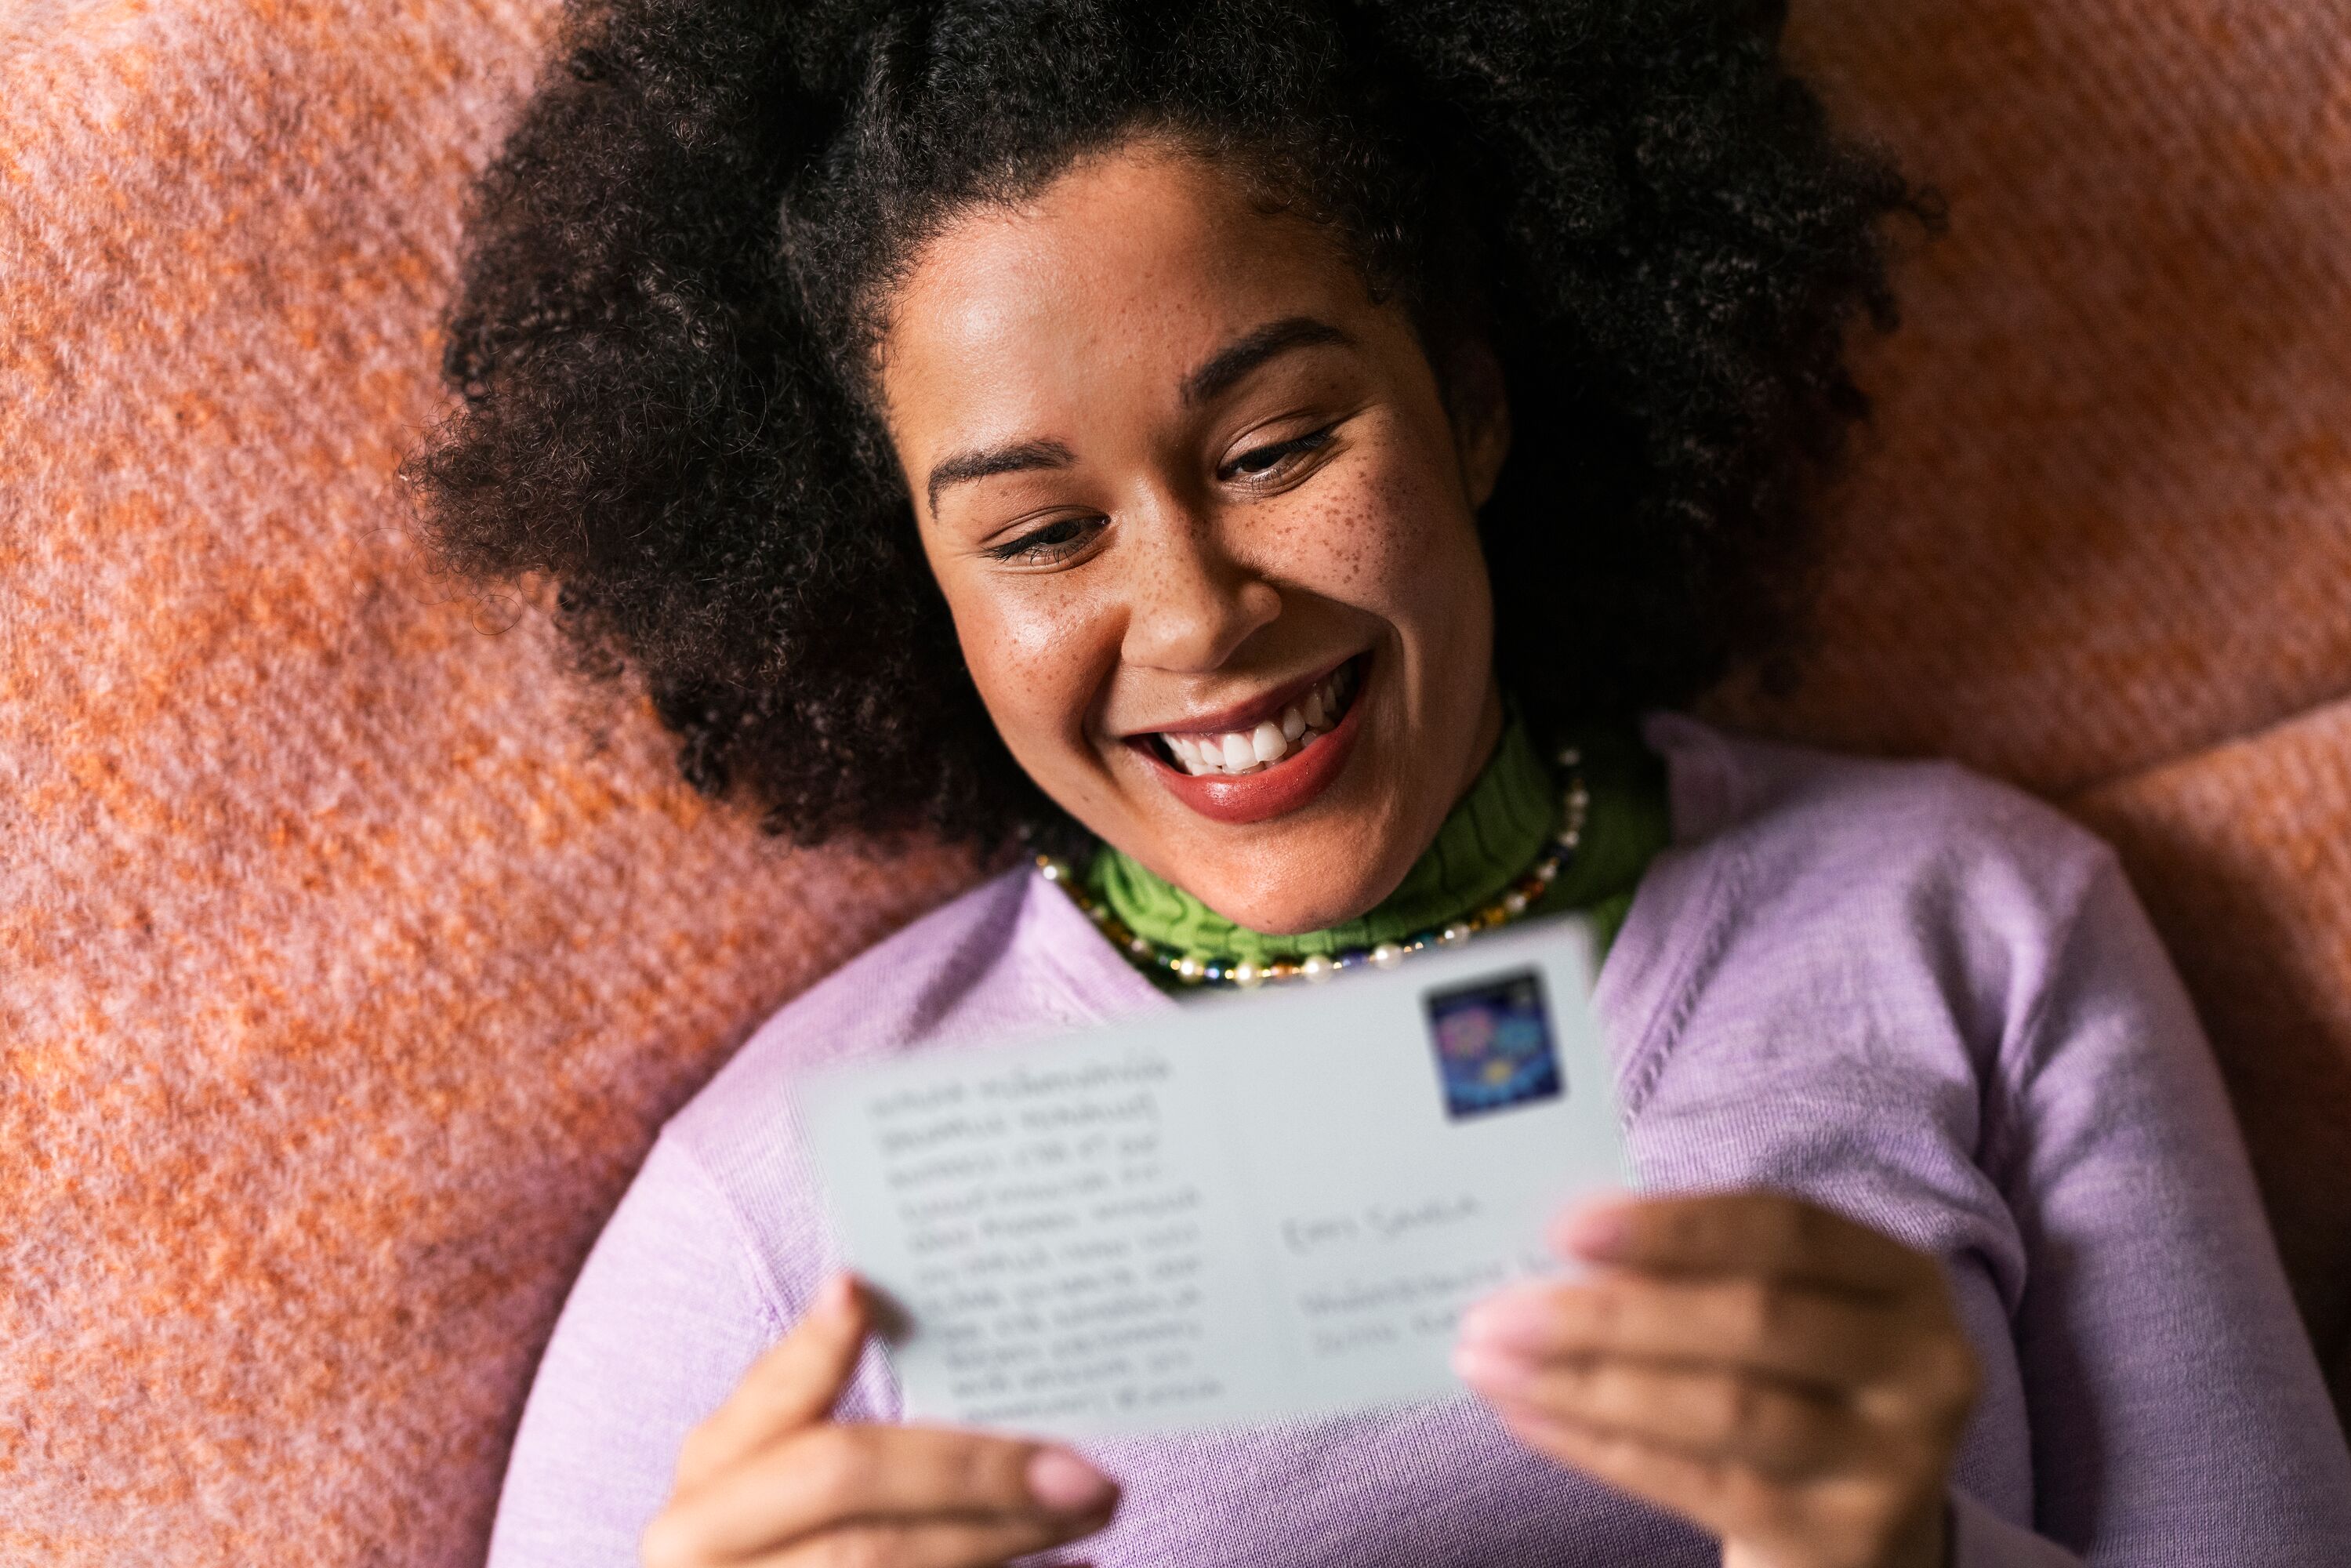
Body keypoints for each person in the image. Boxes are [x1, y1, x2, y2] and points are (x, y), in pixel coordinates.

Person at [405, 2, 2351, 1564]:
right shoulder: (774, 1215)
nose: (1196, 613)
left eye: (1272, 445)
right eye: (1039, 534)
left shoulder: (1974, 927)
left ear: (1477, 400)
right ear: (909, 581)